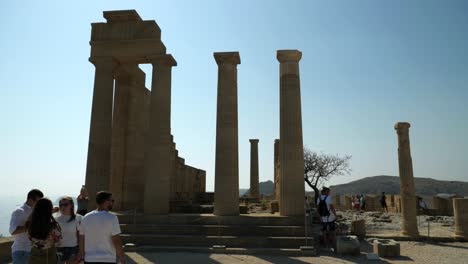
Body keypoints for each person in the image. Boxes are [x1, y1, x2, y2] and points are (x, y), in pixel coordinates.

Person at [76, 191, 125, 264]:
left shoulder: (86, 217)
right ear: (106, 201)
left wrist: (82, 254)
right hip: (107, 259)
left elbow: (81, 238)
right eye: (112, 200)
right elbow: (116, 240)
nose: (113, 203)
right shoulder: (112, 218)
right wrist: (122, 257)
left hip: (89, 259)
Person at [9, 189, 44, 264]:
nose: (40, 204)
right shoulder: (19, 211)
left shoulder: (35, 210)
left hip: (33, 249)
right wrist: (32, 225)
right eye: (38, 202)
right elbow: (13, 231)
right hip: (21, 250)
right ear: (30, 200)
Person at [28, 198, 62, 264]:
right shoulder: (53, 226)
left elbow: (30, 238)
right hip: (48, 256)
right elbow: (59, 243)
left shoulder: (31, 224)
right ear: (50, 209)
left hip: (34, 256)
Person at [54, 197, 82, 264]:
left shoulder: (78, 218)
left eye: (66, 204)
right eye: (61, 205)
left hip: (73, 249)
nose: (63, 207)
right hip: (58, 249)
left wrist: (80, 252)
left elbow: (81, 236)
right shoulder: (55, 219)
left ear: (71, 205)